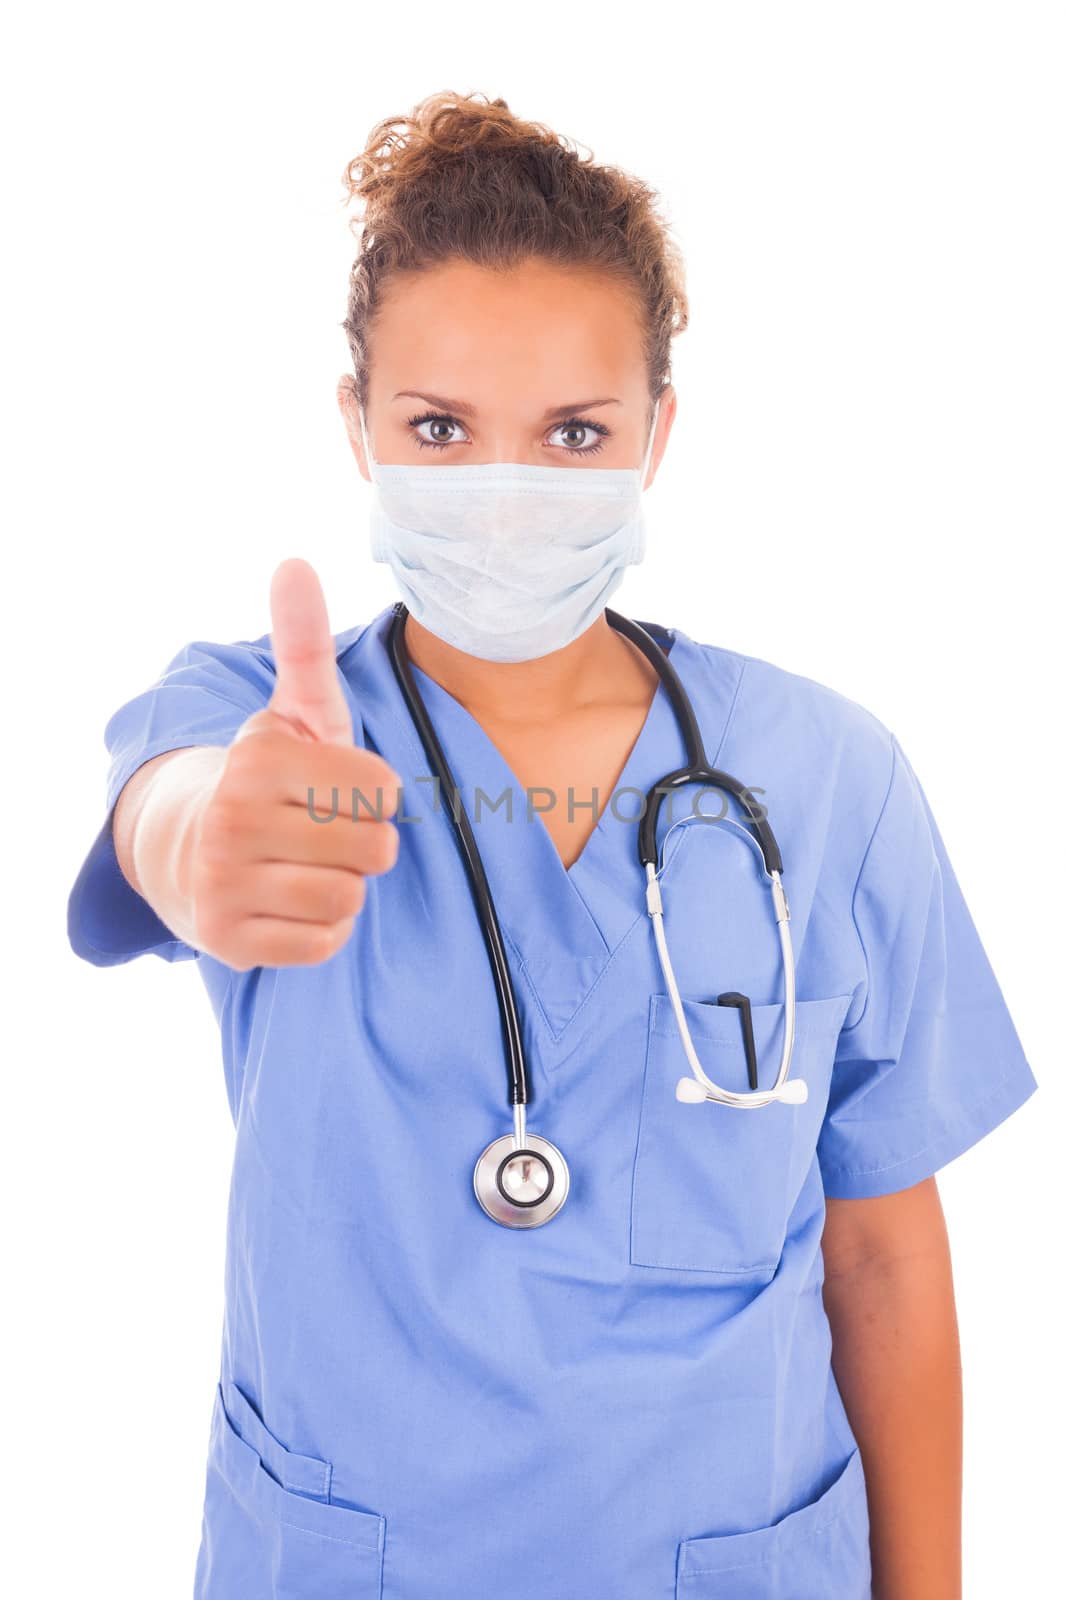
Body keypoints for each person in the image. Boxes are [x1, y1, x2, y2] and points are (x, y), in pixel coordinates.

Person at [67, 90, 1037, 1600]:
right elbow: (173, 817)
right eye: (439, 429)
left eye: (572, 433)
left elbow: (887, 1260)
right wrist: (204, 843)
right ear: (357, 430)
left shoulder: (828, 776)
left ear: (657, 433)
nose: (504, 497)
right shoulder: (267, 720)